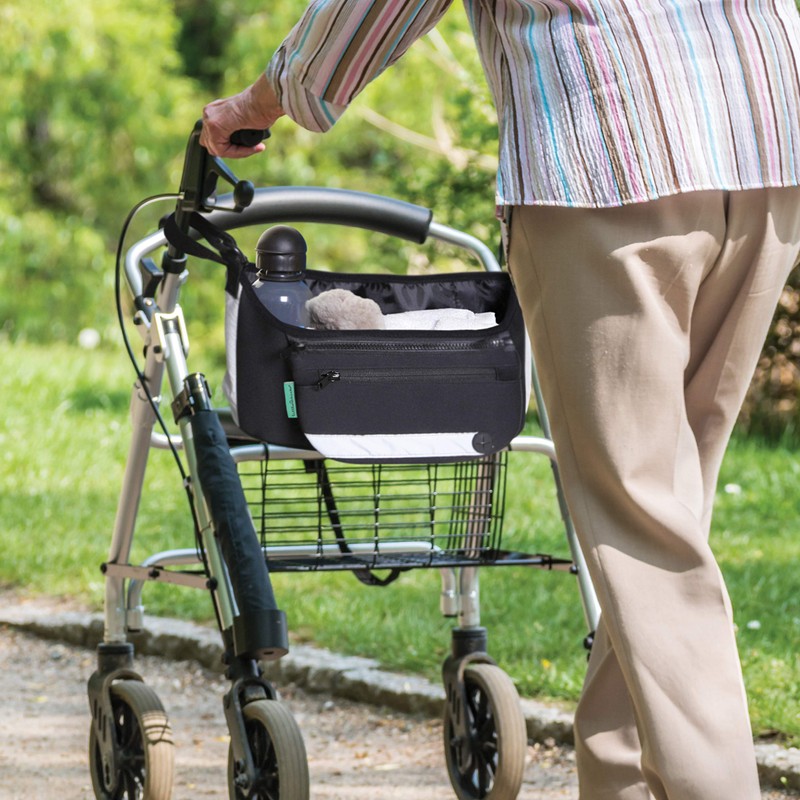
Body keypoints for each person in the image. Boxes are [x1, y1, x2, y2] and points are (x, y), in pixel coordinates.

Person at [200, 1, 800, 797]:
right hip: (765, 142)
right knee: (665, 519)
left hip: (612, 150)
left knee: (642, 525)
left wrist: (261, 101)